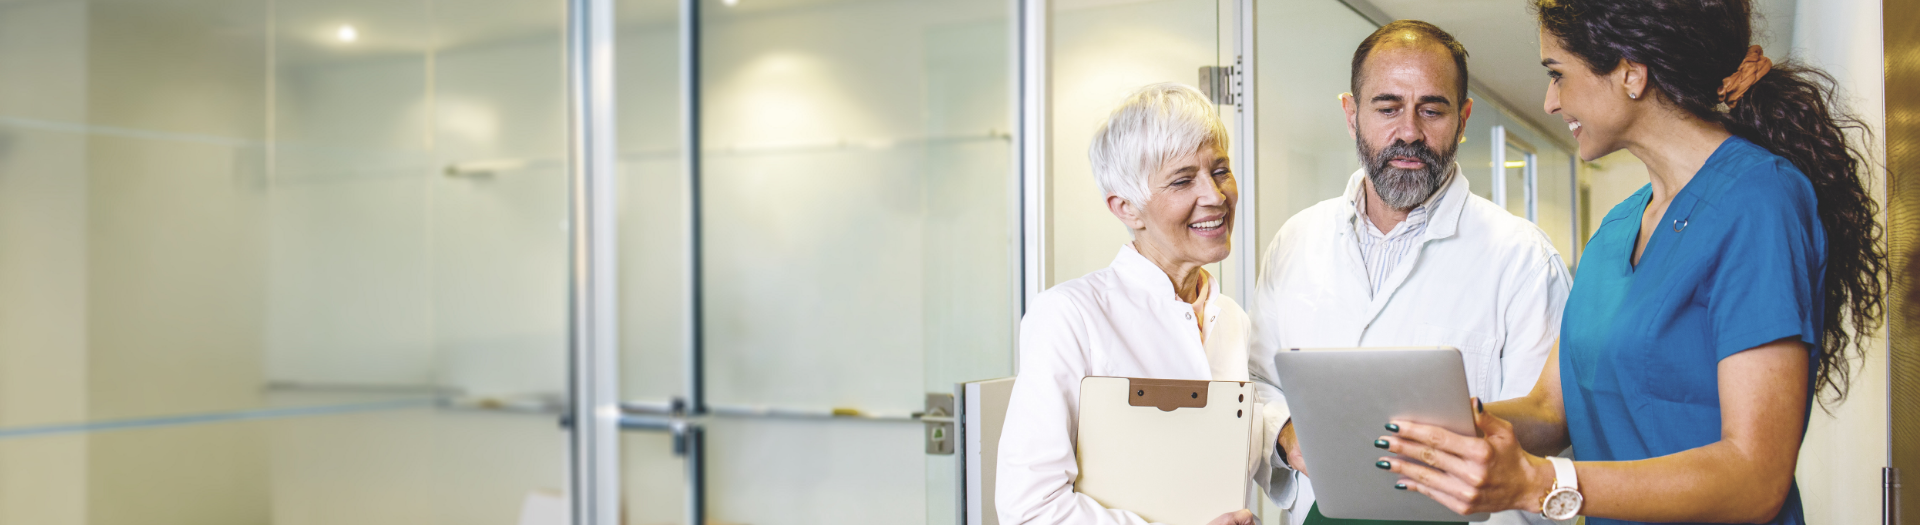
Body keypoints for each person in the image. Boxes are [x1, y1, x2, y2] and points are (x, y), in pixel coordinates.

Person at [1378, 1, 1885, 525]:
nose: (1551, 101)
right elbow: (1552, 411)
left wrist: (1543, 483)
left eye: (1558, 75)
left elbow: (1755, 477)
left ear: (1630, 72)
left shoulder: (1759, 199)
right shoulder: (1619, 226)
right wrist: (1429, 425)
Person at [1247, 20, 1573, 525]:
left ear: (1463, 118)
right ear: (1351, 115)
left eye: (1433, 109)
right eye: (1387, 107)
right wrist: (1287, 432)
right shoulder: (1296, 240)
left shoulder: (1524, 260)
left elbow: (1545, 443)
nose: (1409, 132)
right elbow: (1258, 382)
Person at [996, 83, 1278, 525]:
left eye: (1220, 170)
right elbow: (1030, 508)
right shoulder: (1070, 315)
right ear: (1126, 208)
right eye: (1183, 180)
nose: (1216, 195)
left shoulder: (1233, 322)